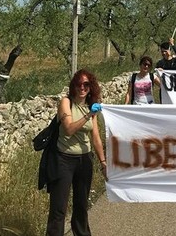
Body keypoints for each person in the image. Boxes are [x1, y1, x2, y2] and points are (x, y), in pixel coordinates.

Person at [46, 69, 106, 236]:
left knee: (81, 207)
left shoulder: (90, 105)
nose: (82, 87)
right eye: (79, 84)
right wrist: (89, 115)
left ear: (91, 86)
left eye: (86, 84)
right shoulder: (66, 103)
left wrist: (103, 162)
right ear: (74, 86)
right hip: (64, 159)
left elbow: (95, 137)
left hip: (84, 160)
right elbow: (69, 128)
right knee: (59, 208)